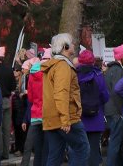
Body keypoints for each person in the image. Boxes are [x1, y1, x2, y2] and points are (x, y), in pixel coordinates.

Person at [41, 33, 88, 166]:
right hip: (66, 117)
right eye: (71, 43)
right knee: (82, 148)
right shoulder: (62, 66)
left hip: (51, 118)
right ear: (65, 47)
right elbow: (61, 93)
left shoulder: (52, 65)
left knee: (55, 155)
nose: (74, 45)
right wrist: (65, 120)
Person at [76, 50, 109, 166]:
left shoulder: (74, 74)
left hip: (79, 118)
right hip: (96, 117)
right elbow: (105, 96)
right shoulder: (98, 75)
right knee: (94, 150)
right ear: (93, 61)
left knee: (79, 151)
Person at [0, 47, 17, 164]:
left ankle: (0, 152)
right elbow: (13, 86)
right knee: (7, 128)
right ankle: (6, 152)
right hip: (7, 100)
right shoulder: (8, 69)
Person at [105, 46, 123, 166]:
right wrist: (121, 111)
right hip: (116, 111)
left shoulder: (110, 69)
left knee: (116, 141)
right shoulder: (118, 70)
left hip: (110, 110)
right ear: (120, 57)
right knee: (115, 142)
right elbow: (117, 92)